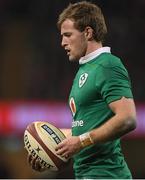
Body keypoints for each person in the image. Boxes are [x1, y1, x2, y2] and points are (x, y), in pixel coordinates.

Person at [28, 1, 137, 179]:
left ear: (87, 32)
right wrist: (51, 153)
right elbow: (83, 129)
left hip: (107, 175)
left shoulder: (107, 65)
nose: (62, 42)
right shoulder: (85, 70)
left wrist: (80, 142)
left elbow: (128, 119)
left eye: (67, 35)